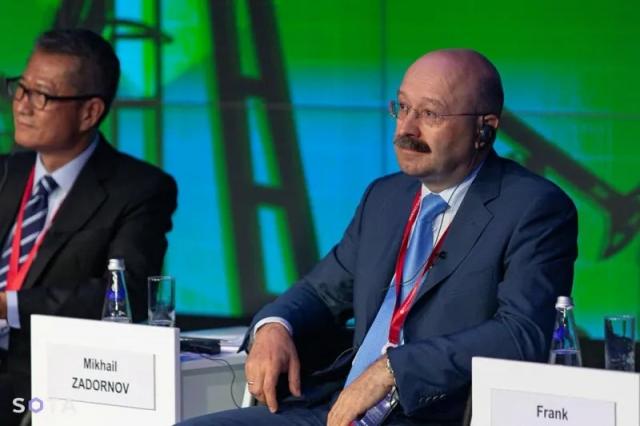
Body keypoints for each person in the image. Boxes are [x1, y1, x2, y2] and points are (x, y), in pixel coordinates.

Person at [181, 48, 577, 426]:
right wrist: (274, 326)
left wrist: (394, 369)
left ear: (483, 129)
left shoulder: (533, 208)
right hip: (335, 407)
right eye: (402, 107)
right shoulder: (385, 197)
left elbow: (523, 334)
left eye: (430, 114)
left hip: (428, 415)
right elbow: (321, 292)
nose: (406, 129)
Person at [0, 28, 177, 425]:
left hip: (47, 381)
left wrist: (7, 305)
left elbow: (126, 293)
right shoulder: (6, 171)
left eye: (41, 95)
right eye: (20, 88)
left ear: (89, 112)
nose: (22, 105)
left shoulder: (139, 189)